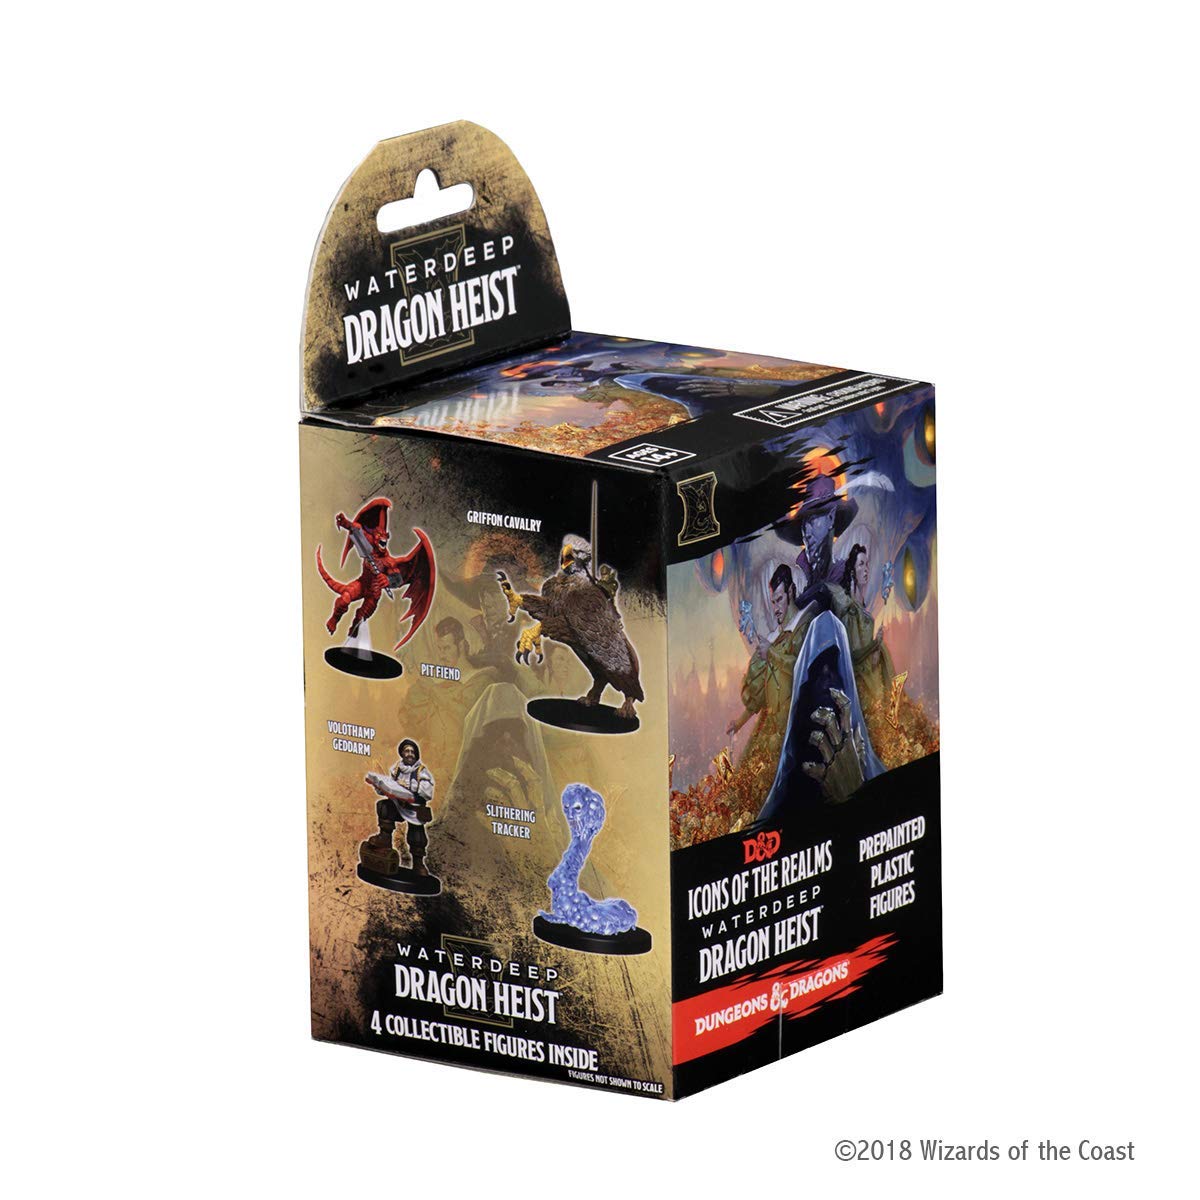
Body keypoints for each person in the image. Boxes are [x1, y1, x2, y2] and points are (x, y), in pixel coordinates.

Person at [840, 543, 895, 711]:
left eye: (867, 564)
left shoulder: (862, 606)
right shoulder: (850, 610)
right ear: (852, 572)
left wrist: (877, 649)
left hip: (873, 676)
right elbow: (853, 656)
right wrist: (875, 644)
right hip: (862, 685)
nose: (866, 569)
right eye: (861, 564)